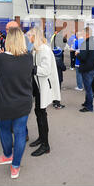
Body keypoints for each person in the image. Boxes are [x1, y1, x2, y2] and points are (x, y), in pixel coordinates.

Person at [0, 27, 33, 179]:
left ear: (8, 40)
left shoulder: (1, 58)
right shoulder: (28, 57)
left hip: (4, 103)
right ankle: (15, 166)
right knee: (20, 134)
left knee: (5, 131)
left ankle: (8, 155)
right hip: (24, 102)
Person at [27, 27, 61, 156]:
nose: (28, 38)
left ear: (35, 36)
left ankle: (45, 145)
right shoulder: (36, 49)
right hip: (37, 86)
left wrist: (31, 68)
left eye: (30, 35)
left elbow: (45, 70)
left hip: (44, 87)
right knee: (38, 112)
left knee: (41, 114)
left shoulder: (45, 50)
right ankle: (41, 138)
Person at [77, 27, 94, 113]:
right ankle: (87, 103)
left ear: (87, 34)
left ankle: (89, 106)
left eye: (83, 34)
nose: (82, 36)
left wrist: (77, 54)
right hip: (93, 68)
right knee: (88, 87)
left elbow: (83, 57)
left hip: (87, 69)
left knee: (88, 88)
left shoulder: (85, 44)